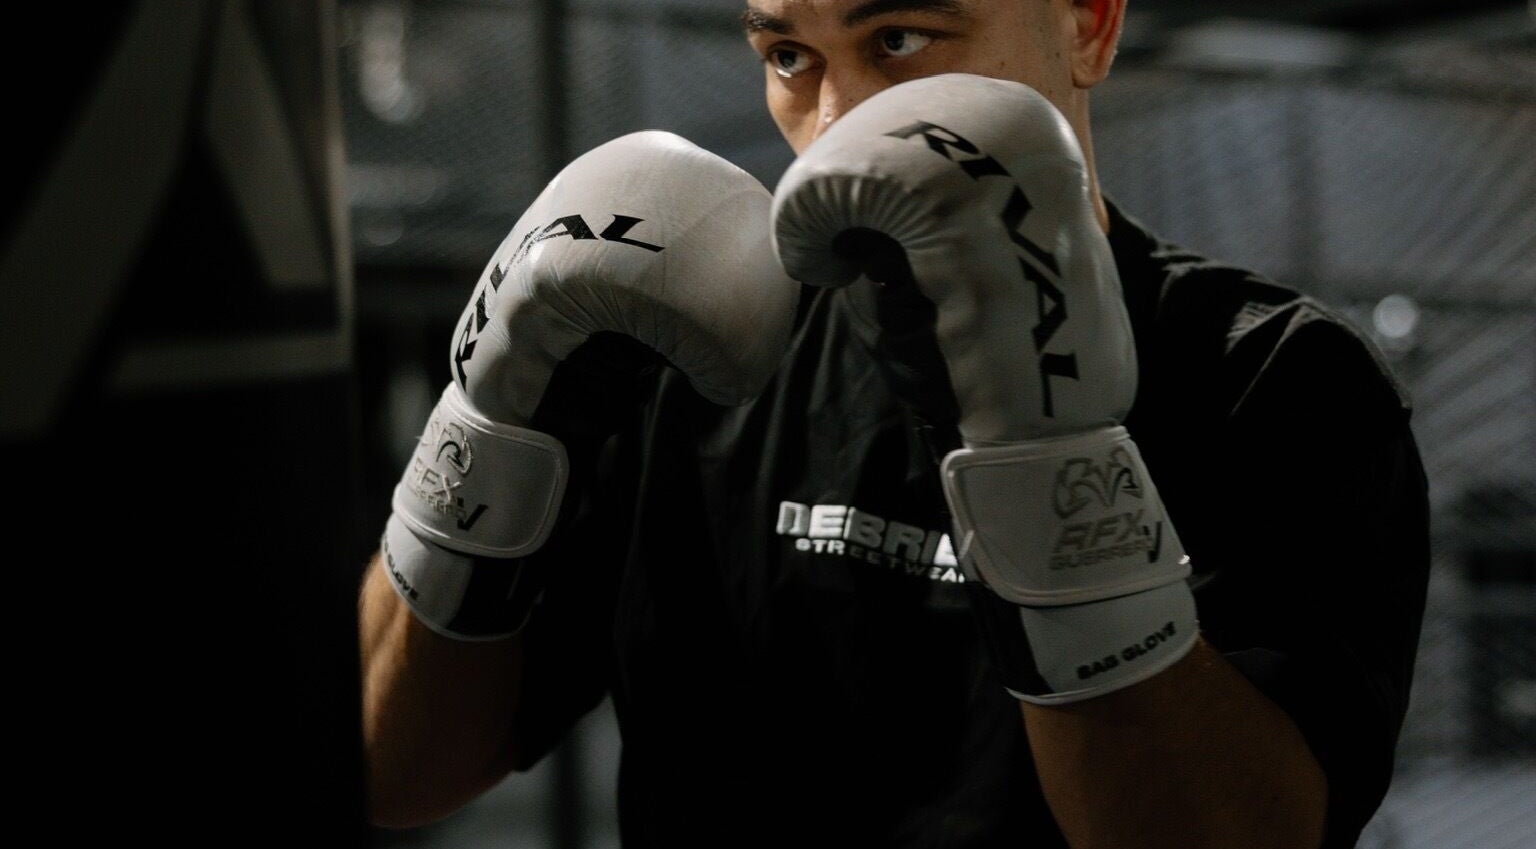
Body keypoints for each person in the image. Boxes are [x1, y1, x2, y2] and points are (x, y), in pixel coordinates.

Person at [359, 3, 1430, 848]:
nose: (836, 124)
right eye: (789, 54)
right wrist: (487, 430)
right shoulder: (689, 352)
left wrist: (1038, 446)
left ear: (1089, 23)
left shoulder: (1274, 376)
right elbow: (390, 769)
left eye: (899, 39)